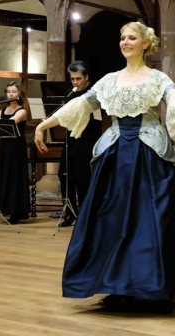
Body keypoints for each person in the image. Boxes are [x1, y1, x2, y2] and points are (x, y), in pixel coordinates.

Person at [34, 21, 175, 312]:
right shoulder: (109, 80)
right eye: (122, 37)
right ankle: (114, 283)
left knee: (151, 218)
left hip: (149, 152)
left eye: (132, 37)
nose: (125, 42)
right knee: (111, 218)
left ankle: (152, 284)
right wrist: (45, 124)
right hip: (116, 153)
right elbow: (81, 105)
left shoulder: (156, 77)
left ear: (145, 43)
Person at [56, 60, 101, 227]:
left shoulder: (94, 93)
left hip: (88, 140)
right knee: (64, 175)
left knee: (83, 178)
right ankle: (70, 213)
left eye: (78, 79)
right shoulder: (69, 94)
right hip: (71, 140)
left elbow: (98, 119)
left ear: (86, 77)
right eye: (72, 79)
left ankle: (85, 215)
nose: (75, 82)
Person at [0, 82, 30, 224]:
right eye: (8, 91)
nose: (11, 94)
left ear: (20, 94)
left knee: (15, 177)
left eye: (14, 91)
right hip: (4, 145)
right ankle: (5, 208)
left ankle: (17, 212)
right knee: (5, 176)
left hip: (16, 146)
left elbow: (6, 125)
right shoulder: (3, 110)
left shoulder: (22, 111)